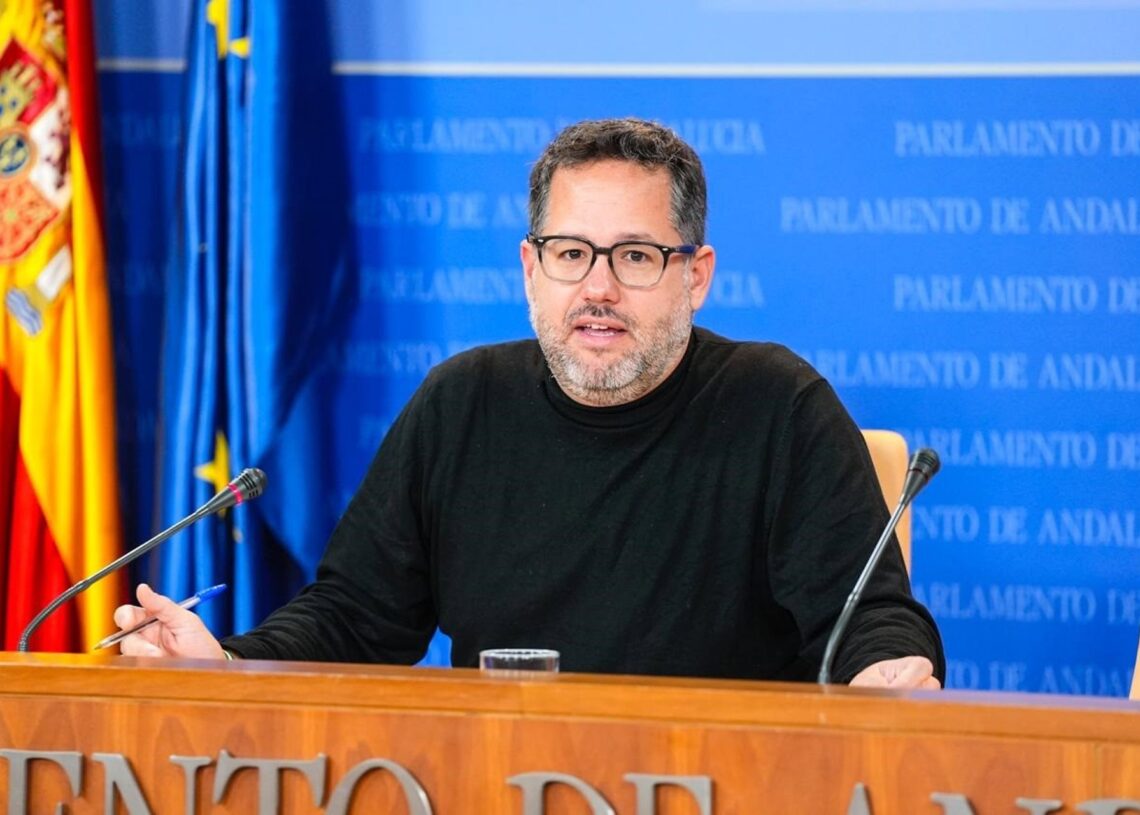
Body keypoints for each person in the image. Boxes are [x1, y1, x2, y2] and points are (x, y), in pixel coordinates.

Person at [115, 118, 944, 689]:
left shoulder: (780, 407)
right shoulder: (461, 405)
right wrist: (226, 664)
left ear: (696, 276)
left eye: (637, 256)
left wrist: (888, 671)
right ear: (529, 267)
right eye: (572, 252)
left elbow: (868, 620)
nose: (598, 287)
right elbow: (355, 618)